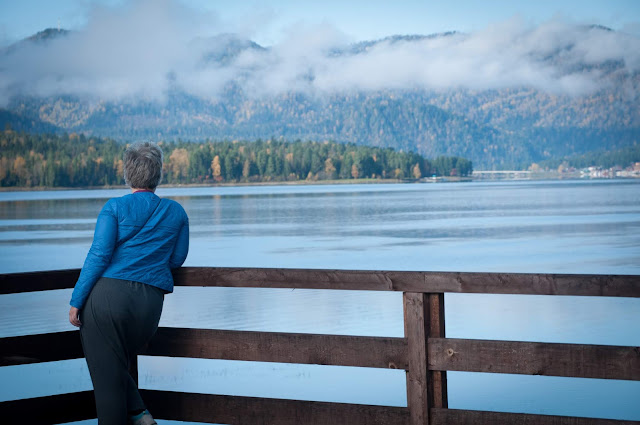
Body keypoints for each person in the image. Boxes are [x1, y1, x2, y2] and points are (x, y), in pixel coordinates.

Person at [69, 141, 189, 425]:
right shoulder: (176, 212)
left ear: (128, 174)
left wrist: (76, 301)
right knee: (112, 363)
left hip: (106, 303)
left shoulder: (115, 208)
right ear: (158, 175)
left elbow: (98, 256)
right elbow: (177, 260)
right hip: (149, 307)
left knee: (108, 388)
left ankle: (137, 413)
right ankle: (139, 413)